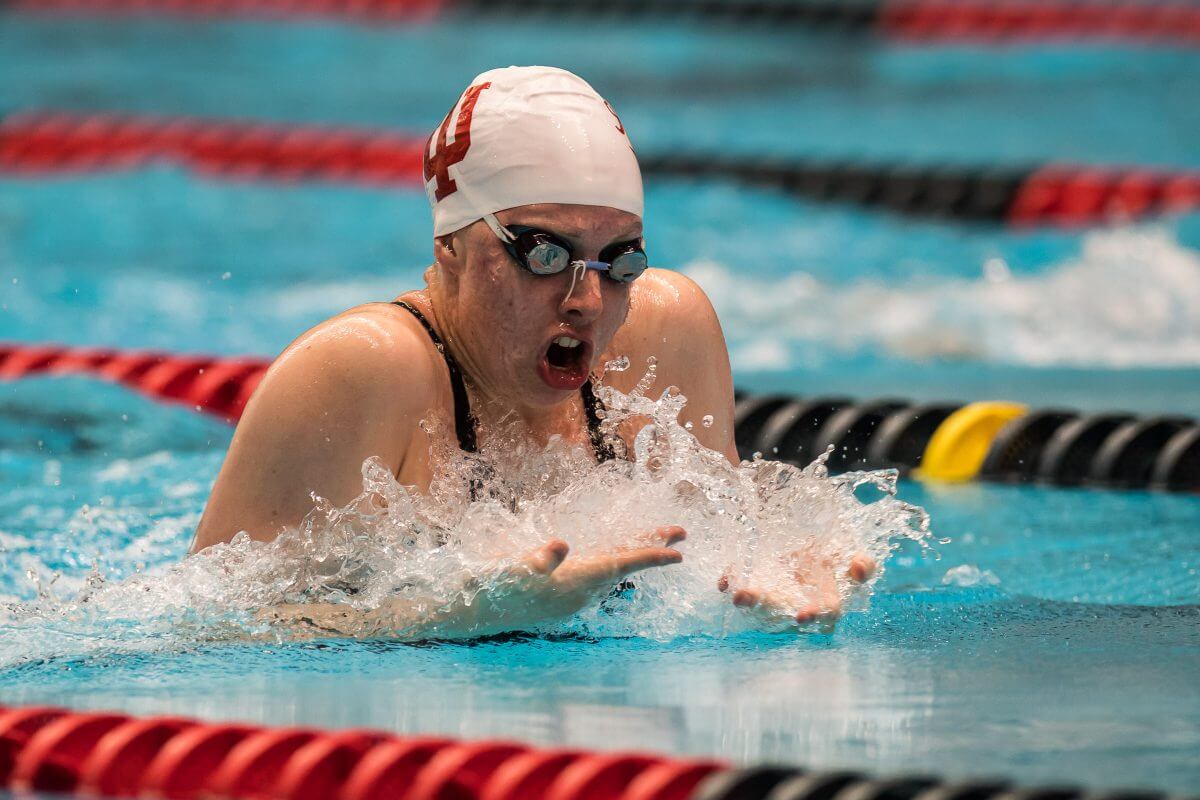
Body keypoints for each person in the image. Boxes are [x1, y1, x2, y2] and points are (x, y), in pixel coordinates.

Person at [191, 66, 871, 638]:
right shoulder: (361, 371)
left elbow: (717, 558)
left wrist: (778, 570)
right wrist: (461, 613)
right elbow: (215, 630)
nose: (587, 302)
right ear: (450, 247)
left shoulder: (668, 332)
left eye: (619, 261)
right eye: (544, 255)